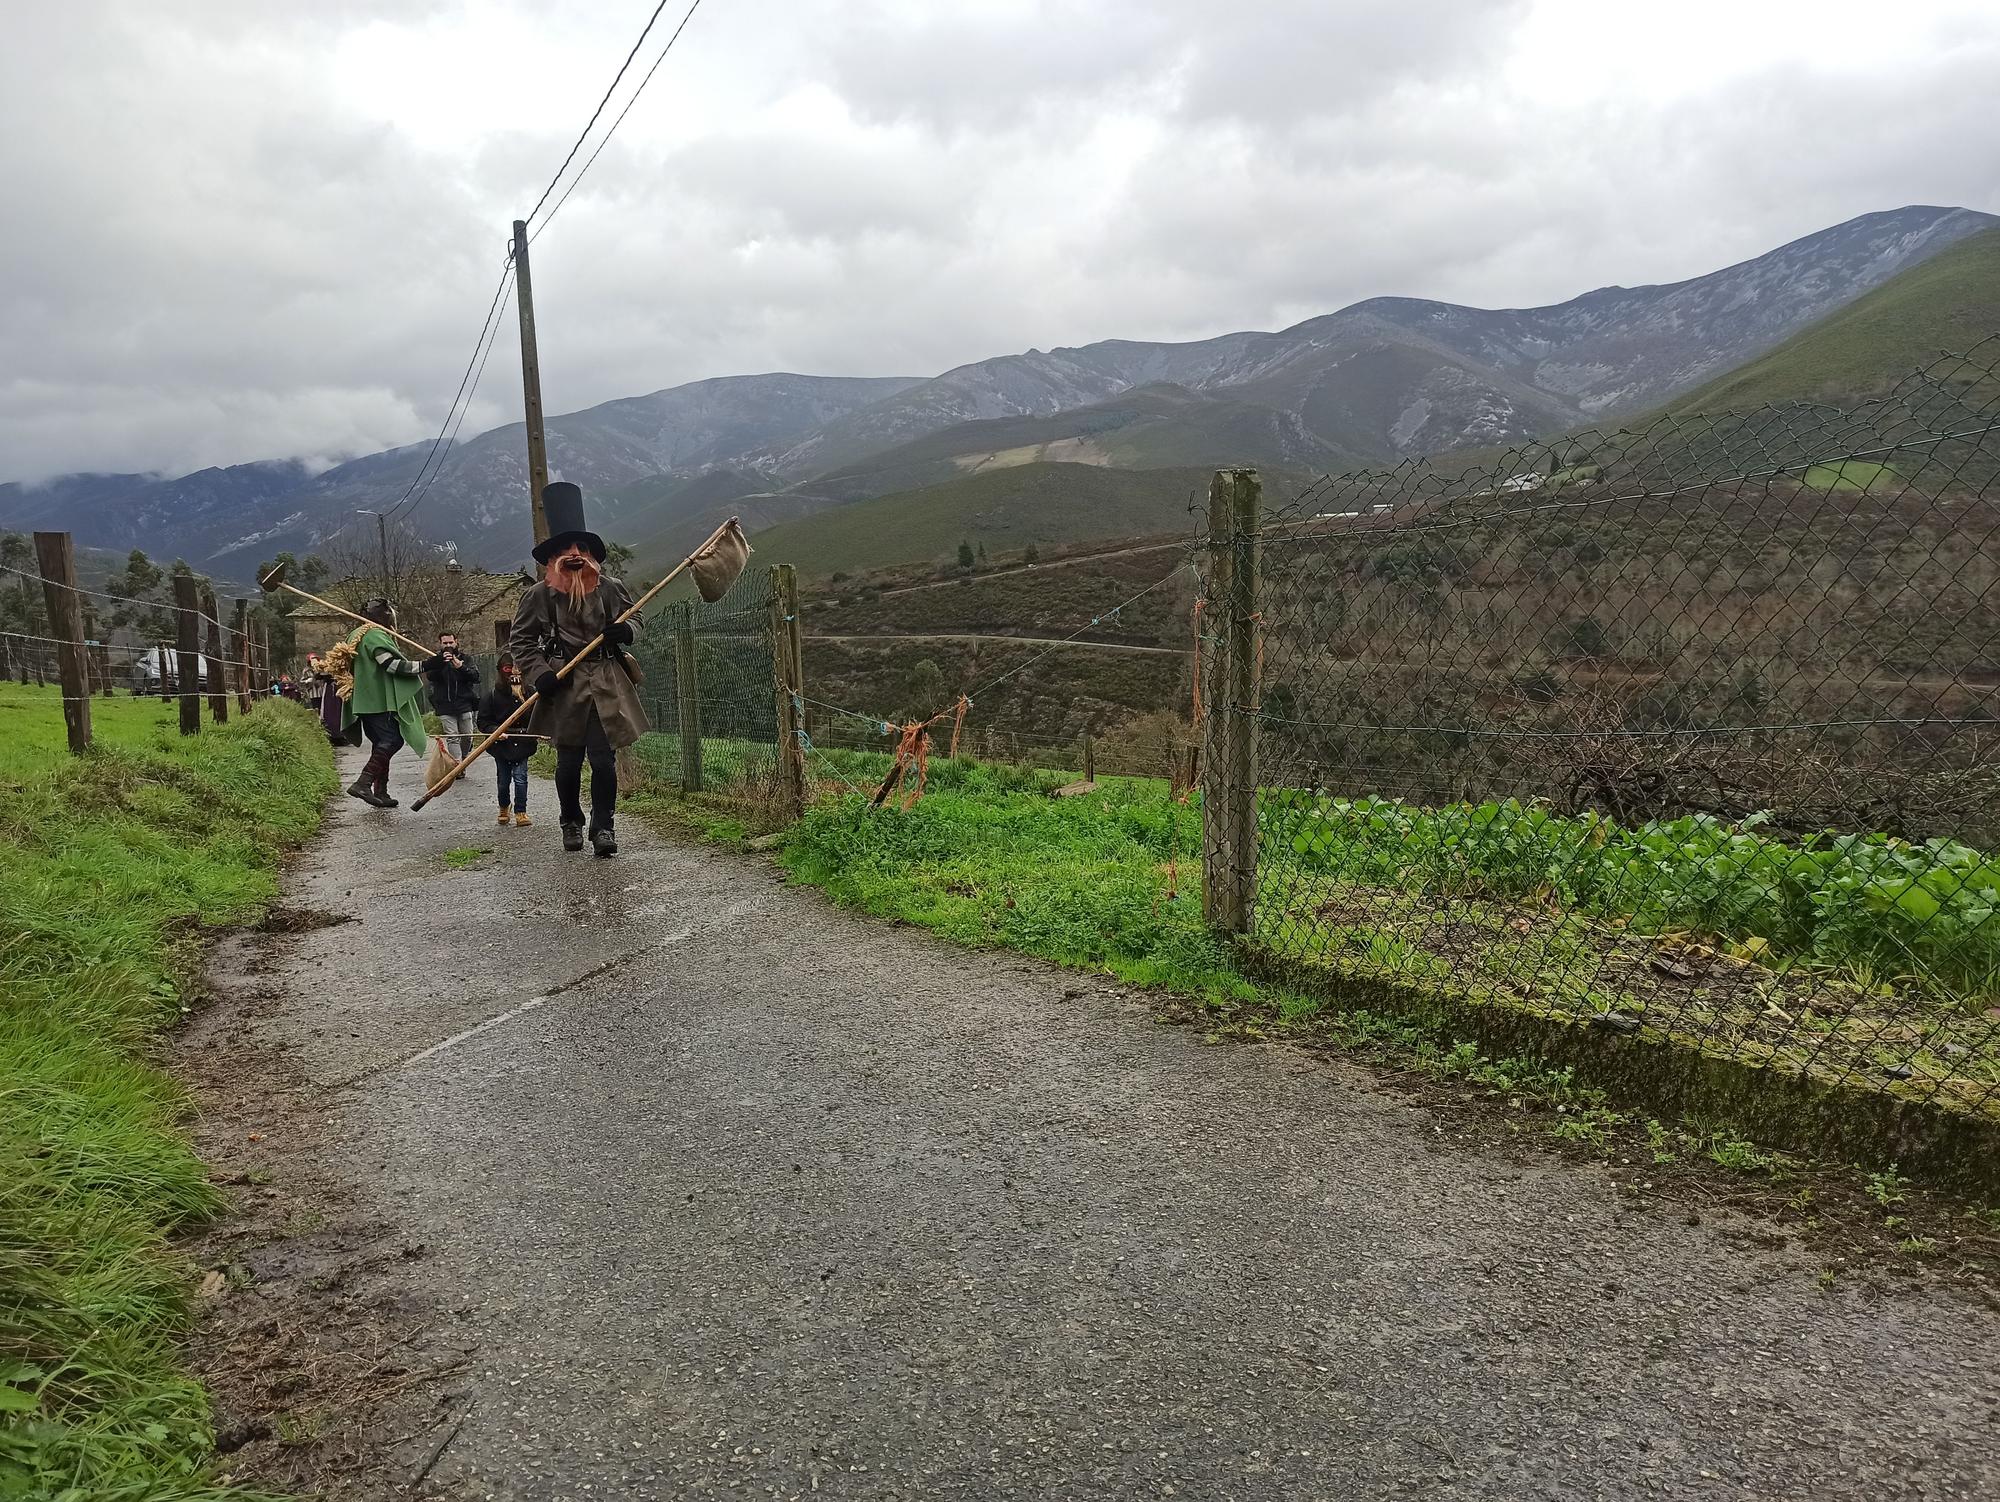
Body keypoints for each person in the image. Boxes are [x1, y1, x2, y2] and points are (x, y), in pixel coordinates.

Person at [510, 482, 647, 856]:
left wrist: (626, 630)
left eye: (581, 548)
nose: (574, 554)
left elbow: (638, 620)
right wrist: (538, 673)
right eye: (566, 548)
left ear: (591, 555)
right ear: (552, 557)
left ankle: (604, 828)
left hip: (606, 684)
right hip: (564, 686)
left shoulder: (611, 587)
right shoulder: (538, 596)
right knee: (568, 764)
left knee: (604, 762)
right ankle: (570, 821)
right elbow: (520, 641)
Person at [339, 598, 428, 808]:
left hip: (366, 700)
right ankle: (363, 782)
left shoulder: (358, 633)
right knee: (392, 740)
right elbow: (391, 664)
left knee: (381, 743)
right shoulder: (374, 635)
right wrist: (427, 665)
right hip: (376, 700)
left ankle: (380, 791)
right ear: (384, 615)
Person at [477, 654, 537, 827]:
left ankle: (521, 811)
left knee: (520, 778)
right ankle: (504, 806)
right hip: (501, 745)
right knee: (503, 781)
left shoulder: (531, 693)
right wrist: (495, 731)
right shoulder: (492, 696)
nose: (513, 672)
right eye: (508, 668)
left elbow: (540, 715)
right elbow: (483, 721)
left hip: (523, 742)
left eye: (518, 668)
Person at [421, 631, 481, 761]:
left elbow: (476, 677)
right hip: (444, 704)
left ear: (456, 642)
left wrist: (461, 667)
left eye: (450, 642)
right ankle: (457, 765)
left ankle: (464, 758)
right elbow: (430, 676)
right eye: (445, 643)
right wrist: (441, 663)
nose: (448, 645)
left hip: (465, 703)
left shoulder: (466, 659)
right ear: (440, 644)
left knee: (467, 735)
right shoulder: (435, 660)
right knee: (452, 736)